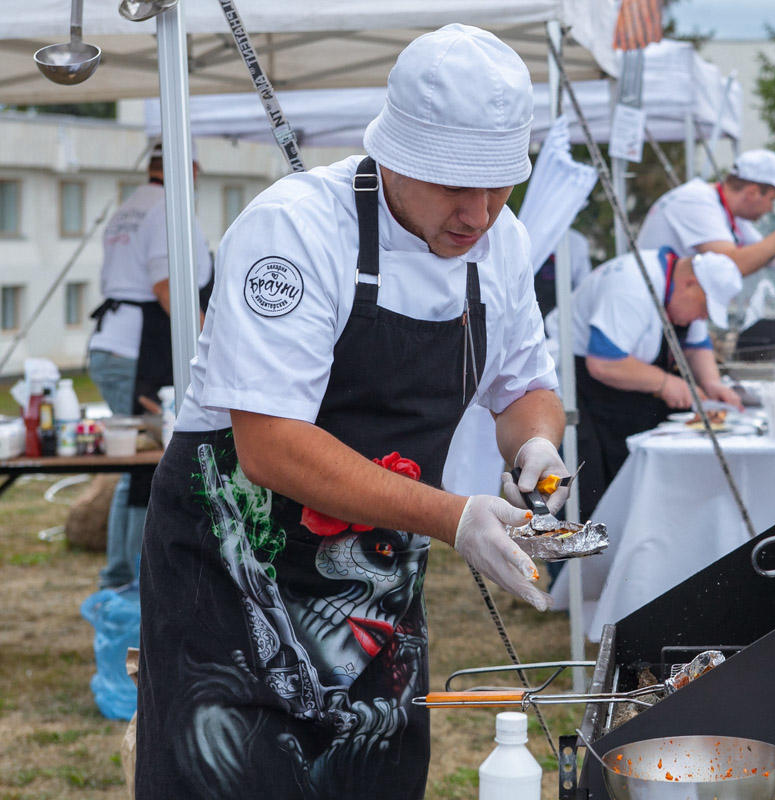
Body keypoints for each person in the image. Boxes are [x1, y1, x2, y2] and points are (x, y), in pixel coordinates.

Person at [135, 25, 570, 799]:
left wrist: (535, 446)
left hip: (374, 597)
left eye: (498, 184)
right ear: (394, 154)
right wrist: (453, 517)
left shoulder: (502, 241)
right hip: (236, 582)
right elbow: (271, 445)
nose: (478, 212)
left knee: (373, 779)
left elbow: (525, 387)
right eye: (452, 185)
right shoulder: (297, 227)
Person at [87, 139, 212, 591]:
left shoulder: (131, 206)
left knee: (135, 467)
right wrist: (213, 343)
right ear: (190, 169)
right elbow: (167, 288)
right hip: (137, 350)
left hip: (113, 342)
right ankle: (128, 580)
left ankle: (122, 577)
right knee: (145, 466)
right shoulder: (166, 208)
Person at [563, 247, 745, 519]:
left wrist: (712, 383)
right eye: (705, 308)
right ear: (690, 283)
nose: (703, 317)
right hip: (573, 386)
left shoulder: (679, 286)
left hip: (616, 396)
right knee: (587, 497)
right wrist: (667, 384)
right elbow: (603, 363)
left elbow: (696, 343)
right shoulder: (633, 287)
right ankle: (573, 561)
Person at [635, 149, 775, 278]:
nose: (771, 208)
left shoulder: (727, 211)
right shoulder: (696, 201)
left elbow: (772, 255)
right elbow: (731, 265)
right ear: (752, 192)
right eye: (771, 199)